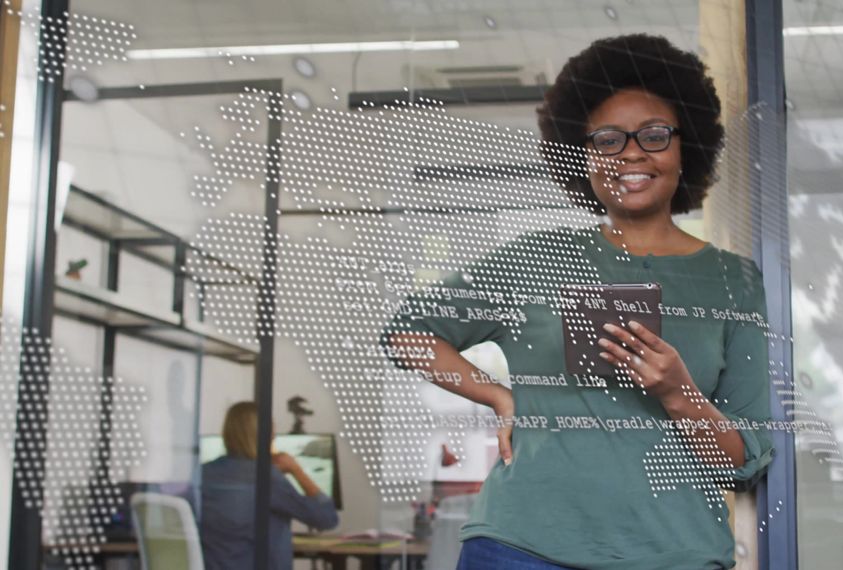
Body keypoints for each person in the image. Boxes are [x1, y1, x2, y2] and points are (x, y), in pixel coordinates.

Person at [385, 34, 774, 570]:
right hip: (519, 548)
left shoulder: (736, 282)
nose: (632, 152)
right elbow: (408, 332)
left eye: (655, 135)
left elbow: (744, 465)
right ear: (582, 155)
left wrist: (678, 392)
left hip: (673, 556)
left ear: (689, 148)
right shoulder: (535, 259)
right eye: (608, 139)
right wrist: (498, 396)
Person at [199, 402, 339, 570]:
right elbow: (326, 519)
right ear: (264, 436)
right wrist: (296, 470)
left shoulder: (202, 473)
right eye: (272, 432)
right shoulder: (267, 477)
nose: (274, 437)